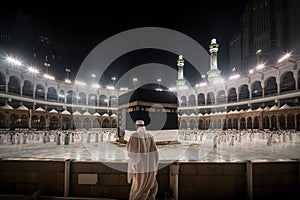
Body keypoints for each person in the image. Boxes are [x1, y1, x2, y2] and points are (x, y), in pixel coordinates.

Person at [126, 120, 159, 200]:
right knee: (148, 187)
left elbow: (130, 153)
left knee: (137, 187)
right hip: (149, 168)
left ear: (136, 126)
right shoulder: (150, 136)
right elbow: (155, 153)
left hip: (139, 167)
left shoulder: (134, 135)